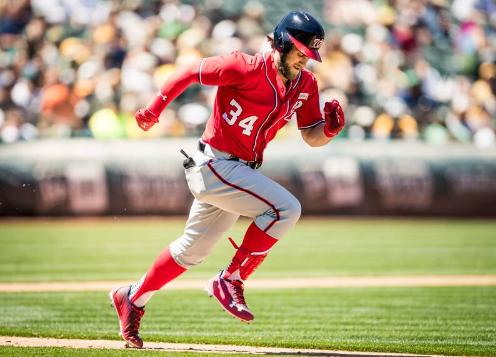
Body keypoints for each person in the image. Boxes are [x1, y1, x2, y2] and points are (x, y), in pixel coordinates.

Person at [109, 10, 345, 349]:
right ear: (281, 43)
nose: (304, 62)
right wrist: (155, 108)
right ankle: (231, 278)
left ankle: (132, 297)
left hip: (239, 172)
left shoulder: (305, 84)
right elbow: (191, 71)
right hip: (214, 164)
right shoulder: (244, 67)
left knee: (191, 251)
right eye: (300, 52)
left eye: (310, 56)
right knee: (285, 209)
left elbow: (312, 136)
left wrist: (330, 131)